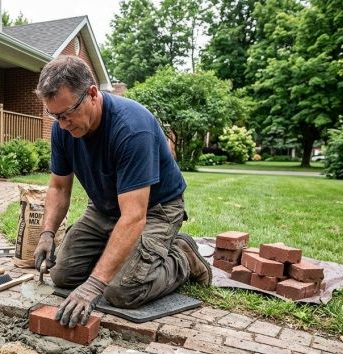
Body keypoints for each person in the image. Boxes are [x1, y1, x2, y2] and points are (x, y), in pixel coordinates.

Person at [32, 56, 211, 329]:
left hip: (156, 209)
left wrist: (94, 285)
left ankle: (182, 256)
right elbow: (58, 187)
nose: (62, 123)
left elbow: (134, 216)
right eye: (54, 115)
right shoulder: (62, 128)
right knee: (63, 275)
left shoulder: (132, 128)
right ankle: (121, 253)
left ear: (92, 93)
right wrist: (47, 233)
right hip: (105, 207)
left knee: (122, 290)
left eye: (67, 113)